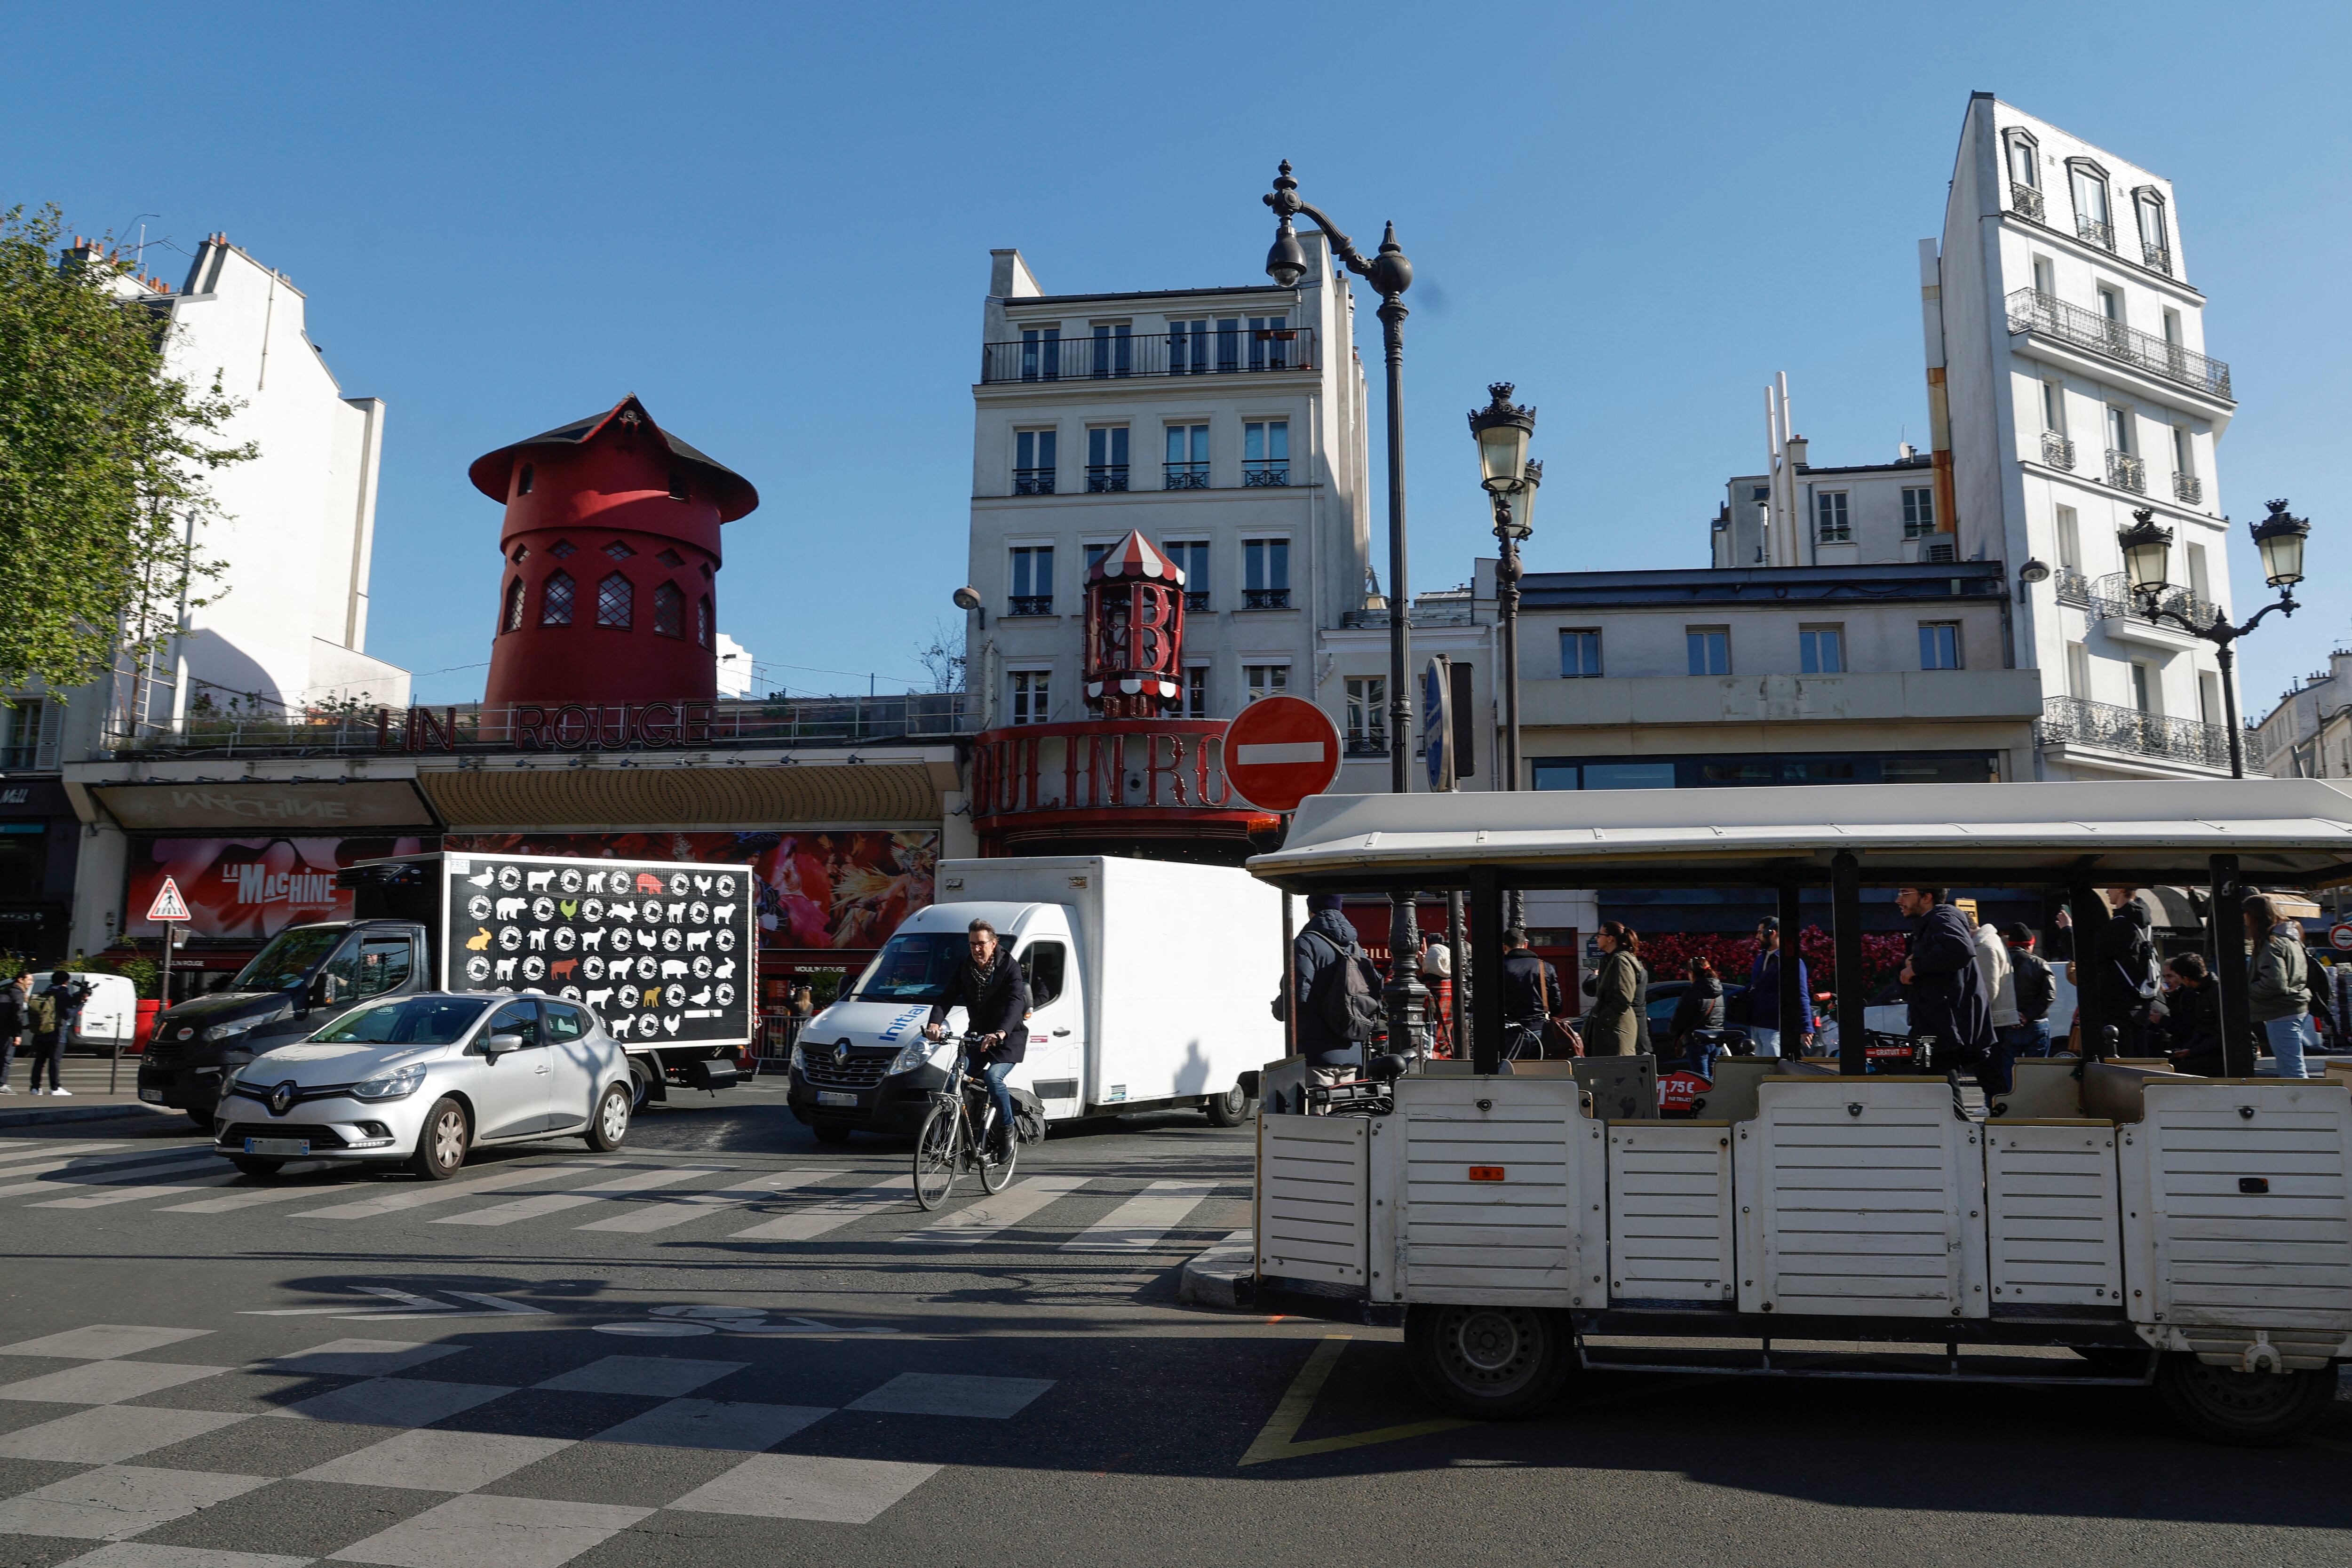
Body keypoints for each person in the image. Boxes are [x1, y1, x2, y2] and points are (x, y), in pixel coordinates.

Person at [921, 918, 1028, 1154]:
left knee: (993, 1078)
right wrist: (934, 1023)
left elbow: (1015, 1003)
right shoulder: (966, 967)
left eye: (981, 944)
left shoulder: (1010, 967)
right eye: (972, 944)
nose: (976, 949)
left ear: (993, 943)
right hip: (979, 1037)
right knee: (954, 1081)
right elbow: (946, 997)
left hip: (1008, 1039)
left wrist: (1000, 1032)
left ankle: (1007, 1127)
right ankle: (952, 1136)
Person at [1896, 886, 2004, 1094]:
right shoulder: (1935, 921)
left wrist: (1916, 967)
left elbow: (1961, 949)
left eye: (1905, 893)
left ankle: (1963, 1125)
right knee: (1941, 1089)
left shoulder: (1942, 917)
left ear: (1927, 897)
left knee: (1942, 1090)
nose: (1899, 900)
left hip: (1943, 1024)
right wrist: (1912, 968)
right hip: (1939, 1024)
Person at [1287, 895, 1378, 1098]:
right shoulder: (1355, 946)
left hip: (1317, 1049)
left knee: (1319, 1116)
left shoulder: (1306, 942)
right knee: (1346, 1115)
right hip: (1351, 1044)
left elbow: (1299, 992)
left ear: (1311, 911)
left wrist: (1279, 1008)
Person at [2246, 895, 2317, 1079]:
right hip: (2297, 1007)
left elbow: (2274, 983)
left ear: (2253, 916)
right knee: (2294, 1067)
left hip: (2281, 1012)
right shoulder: (2291, 938)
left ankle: (2303, 1106)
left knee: (2292, 1071)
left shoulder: (2271, 942)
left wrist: (2247, 991)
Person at [2090, 888, 2159, 1056]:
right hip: (2141, 1006)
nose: (2107, 891)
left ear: (2121, 889)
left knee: (2121, 1064)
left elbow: (2089, 958)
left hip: (2117, 1008)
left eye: (2110, 887)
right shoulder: (2145, 925)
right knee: (2140, 1064)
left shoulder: (2118, 926)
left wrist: (2067, 930)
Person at [1745, 917, 1810, 1059]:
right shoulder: (1760, 959)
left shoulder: (1791, 962)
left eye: (1760, 932)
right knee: (1760, 1070)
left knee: (1773, 1068)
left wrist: (1806, 1027)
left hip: (1775, 1027)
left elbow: (1801, 995)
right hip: (1757, 1024)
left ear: (1771, 933)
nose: (1757, 936)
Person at [1582, 923, 1650, 1057]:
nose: (1597, 938)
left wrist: (1604, 1019)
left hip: (1617, 1031)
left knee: (1616, 1075)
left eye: (1600, 935)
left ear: (1610, 938)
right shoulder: (1610, 960)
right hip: (1611, 1030)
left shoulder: (1621, 960)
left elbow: (1624, 998)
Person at [2156, 952, 2226, 1077]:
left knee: (2175, 1071)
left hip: (2224, 1053)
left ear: (2186, 979)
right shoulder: (2200, 992)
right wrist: (2187, 1050)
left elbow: (2223, 1035)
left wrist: (2192, 1051)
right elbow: (2200, 1029)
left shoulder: (2216, 993)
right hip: (2209, 1048)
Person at [2001, 923, 2056, 1059]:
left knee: (2011, 1070)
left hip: (2008, 1023)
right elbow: (2050, 994)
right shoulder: (2040, 963)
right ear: (2029, 945)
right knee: (2036, 1071)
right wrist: (2027, 1015)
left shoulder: (2000, 963)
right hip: (2037, 1022)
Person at [1498, 929, 1553, 1062]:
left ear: (1505, 947)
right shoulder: (1544, 967)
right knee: (1539, 1074)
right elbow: (1557, 1004)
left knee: (1511, 1073)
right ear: (1526, 945)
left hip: (1511, 1031)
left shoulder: (1500, 968)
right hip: (1539, 1029)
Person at [1669, 955, 1725, 1074]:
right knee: (1714, 1078)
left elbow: (1681, 1019)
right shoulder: (1719, 992)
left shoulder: (1692, 992)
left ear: (1692, 973)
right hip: (1717, 1039)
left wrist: (1674, 1032)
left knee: (1701, 1078)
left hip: (1697, 1040)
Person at [1973, 909, 2018, 1047]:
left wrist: (1971, 1012)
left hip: (1995, 1018)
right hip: (2000, 1016)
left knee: (1990, 1064)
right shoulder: (1992, 940)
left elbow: (1989, 989)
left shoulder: (1984, 947)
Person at [24, 973, 69, 1097]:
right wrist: (81, 1003)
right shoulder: (62, 994)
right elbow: (68, 1014)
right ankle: (55, 1088)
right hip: (57, 1033)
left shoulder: (47, 991)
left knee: (39, 1061)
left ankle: (35, 1088)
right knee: (55, 1061)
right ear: (66, 981)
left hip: (41, 1032)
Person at [0, 973, 24, 1094]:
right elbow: (18, 1015)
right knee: (7, 1058)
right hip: (8, 1030)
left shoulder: (6, 991)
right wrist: (18, 1034)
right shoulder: (18, 994)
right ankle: (2, 1084)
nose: (31, 982)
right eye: (30, 980)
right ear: (21, 980)